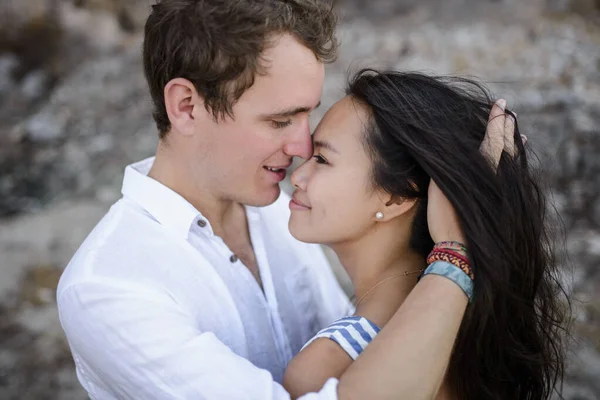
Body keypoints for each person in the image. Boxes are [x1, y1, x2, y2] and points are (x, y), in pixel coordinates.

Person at [56, 1, 515, 398]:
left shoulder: (282, 210)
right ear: (187, 106)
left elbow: (354, 340)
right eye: (280, 121)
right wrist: (455, 256)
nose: (302, 148)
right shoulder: (107, 287)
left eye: (307, 114)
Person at [282, 70, 569, 400]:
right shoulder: (467, 335)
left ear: (395, 197)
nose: (298, 175)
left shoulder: (328, 366)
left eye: (322, 158)